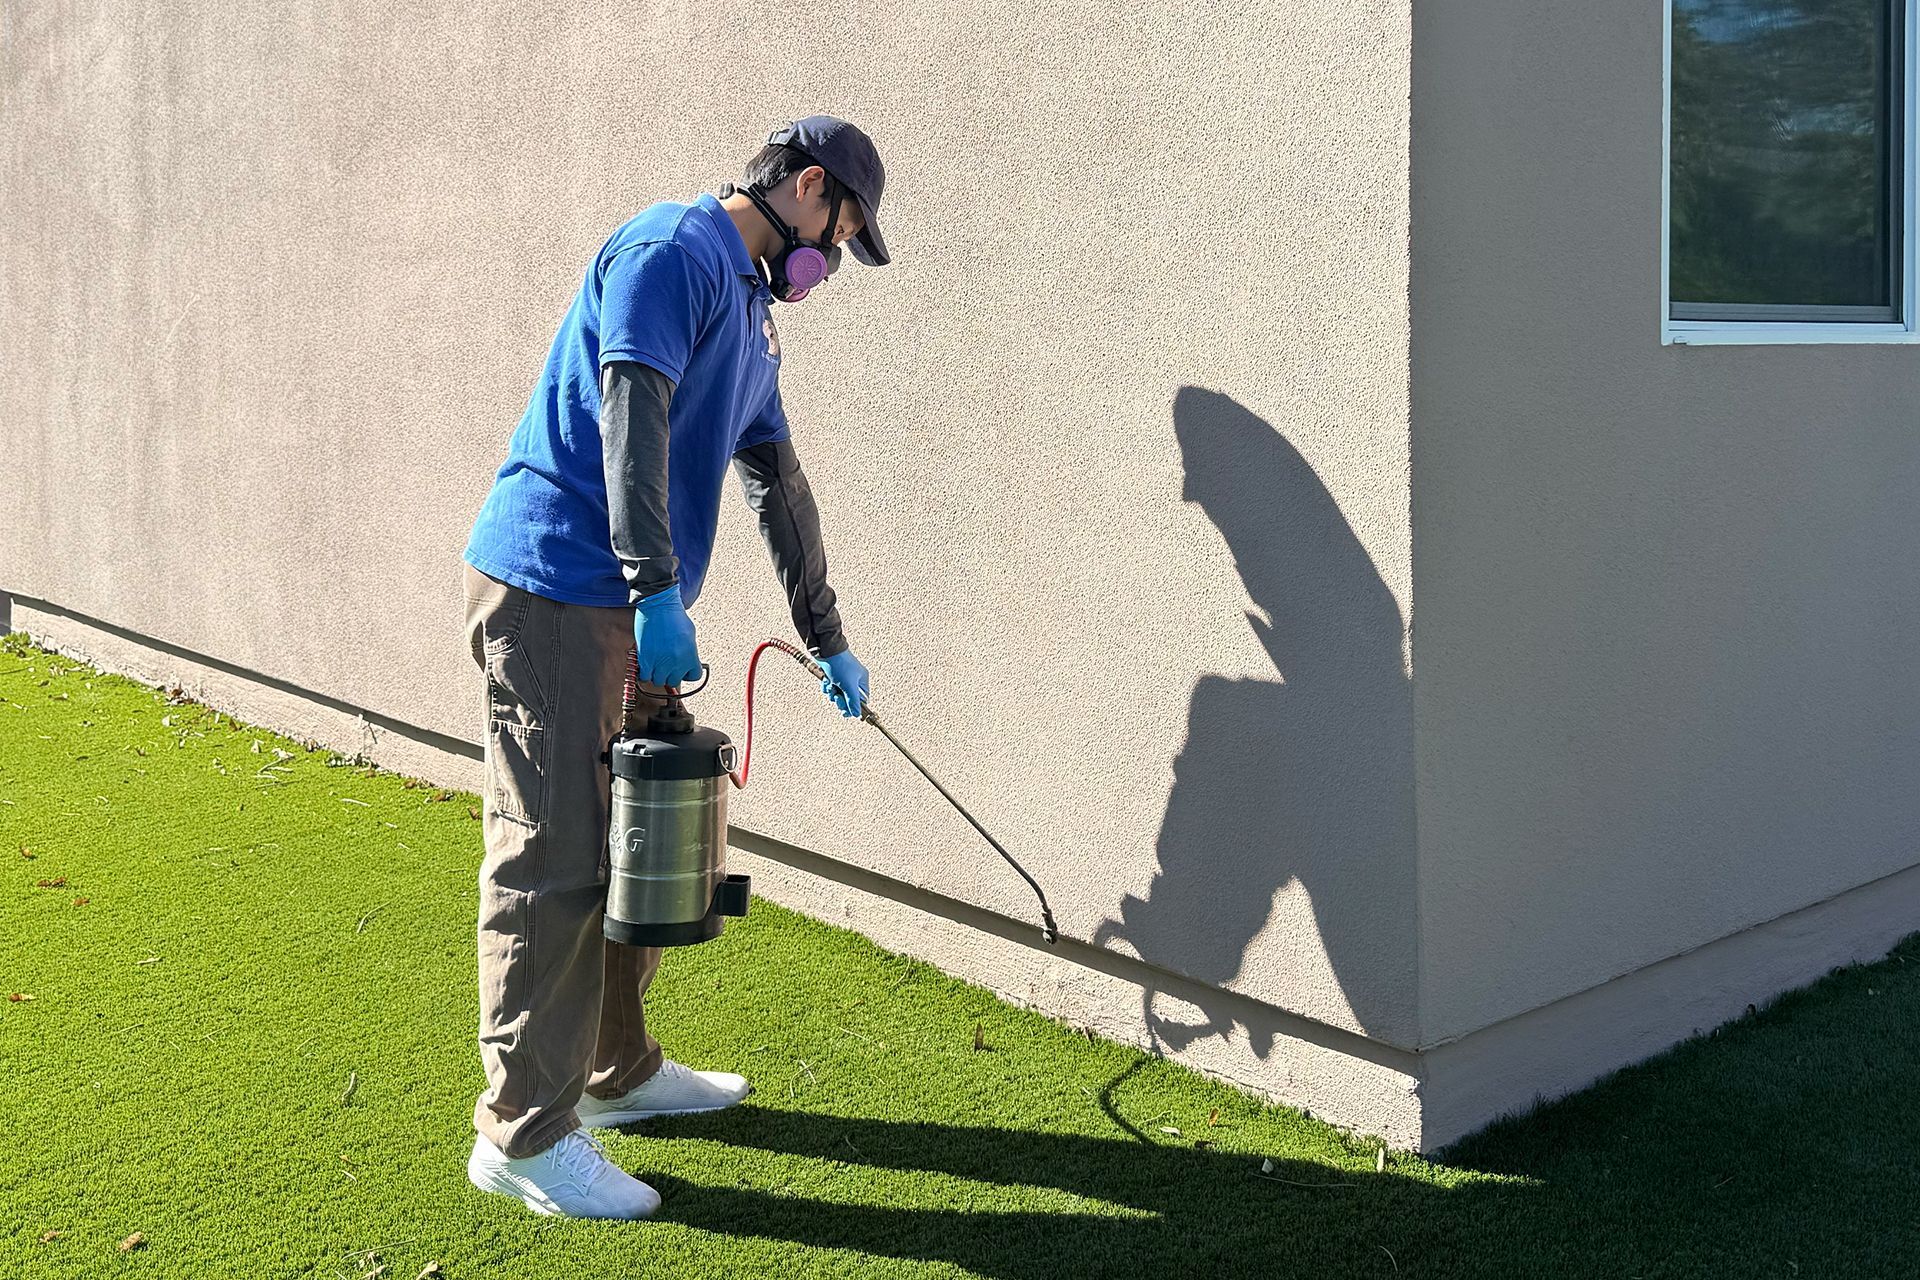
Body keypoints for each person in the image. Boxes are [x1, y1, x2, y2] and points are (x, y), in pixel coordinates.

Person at [457, 115, 890, 1219]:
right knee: (552, 856)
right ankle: (520, 1132)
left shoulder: (747, 310)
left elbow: (777, 486)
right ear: (805, 188)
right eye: (839, 234)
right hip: (559, 587)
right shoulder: (670, 254)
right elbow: (629, 420)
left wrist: (826, 630)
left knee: (642, 842)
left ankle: (614, 1071)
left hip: (625, 605)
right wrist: (654, 587)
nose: (832, 265)